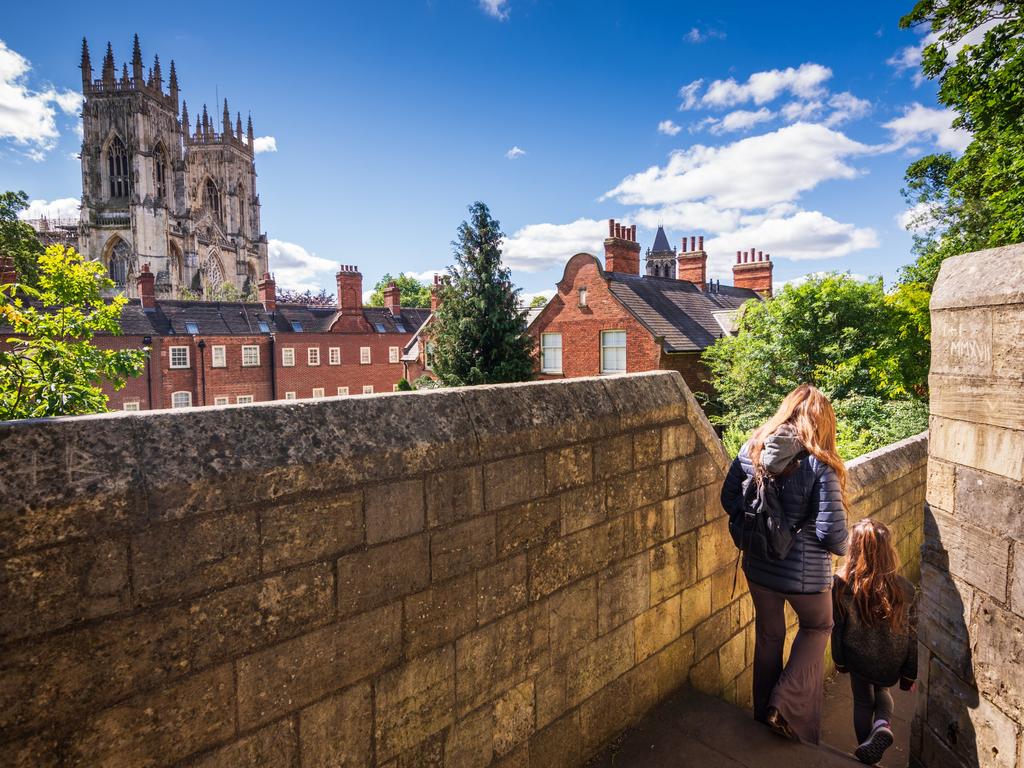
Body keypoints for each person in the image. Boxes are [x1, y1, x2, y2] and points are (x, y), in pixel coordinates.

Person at [721, 384, 849, 745]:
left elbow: (728, 498)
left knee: (768, 635)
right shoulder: (819, 464)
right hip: (805, 577)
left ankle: (763, 714)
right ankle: (784, 704)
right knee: (819, 626)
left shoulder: (752, 449)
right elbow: (833, 537)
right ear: (821, 420)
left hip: (759, 566)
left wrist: (760, 524)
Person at [832, 519, 918, 765]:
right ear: (888, 550)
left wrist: (839, 661)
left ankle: (866, 752)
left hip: (857, 656)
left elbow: (837, 628)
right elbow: (913, 636)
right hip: (892, 658)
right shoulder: (907, 589)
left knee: (861, 700)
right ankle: (882, 725)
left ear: (853, 548)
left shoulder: (840, 583)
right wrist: (910, 673)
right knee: (882, 691)